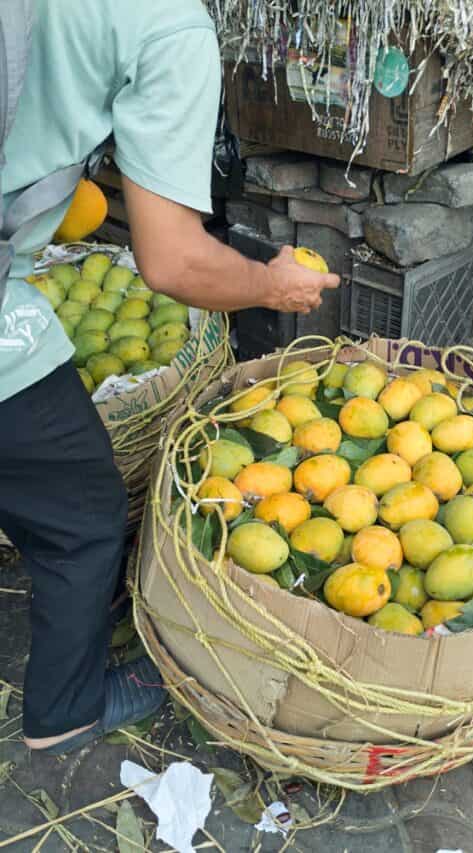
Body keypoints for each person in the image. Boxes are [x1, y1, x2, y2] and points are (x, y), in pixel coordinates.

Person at [0, 0, 339, 756]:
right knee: (84, 502)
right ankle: (66, 709)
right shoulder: (169, 26)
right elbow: (174, 260)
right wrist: (269, 285)